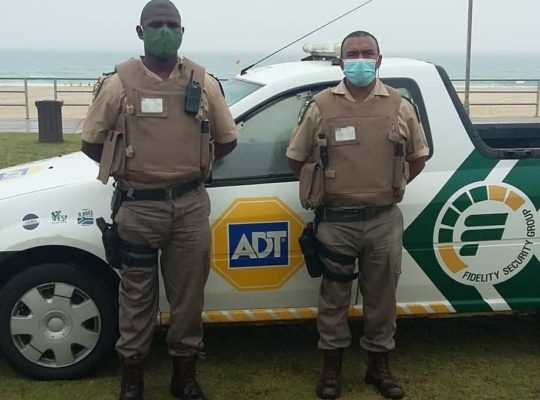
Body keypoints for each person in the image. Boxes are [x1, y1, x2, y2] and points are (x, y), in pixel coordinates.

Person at [81, 1, 237, 399]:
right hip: (137, 207)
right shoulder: (119, 83)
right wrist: (134, 171)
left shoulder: (203, 82)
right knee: (136, 295)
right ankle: (132, 376)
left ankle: (184, 375)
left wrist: (191, 167)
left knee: (189, 297)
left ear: (182, 31)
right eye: (156, 24)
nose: (164, 31)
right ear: (140, 31)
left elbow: (227, 139)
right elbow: (91, 142)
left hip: (188, 206)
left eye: (171, 25)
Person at [287, 31, 429, 400]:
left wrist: (386, 185)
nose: (360, 59)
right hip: (335, 221)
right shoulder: (321, 106)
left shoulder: (399, 104)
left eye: (368, 53)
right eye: (353, 53)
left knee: (381, 299)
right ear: (341, 62)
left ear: (379, 60)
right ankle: (331, 369)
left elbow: (418, 156)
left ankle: (378, 368)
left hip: (382, 219)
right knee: (333, 298)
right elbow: (295, 158)